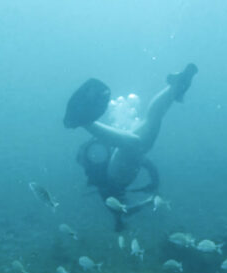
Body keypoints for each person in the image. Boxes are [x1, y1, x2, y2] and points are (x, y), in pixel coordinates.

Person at [64, 63, 198, 231]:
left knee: (143, 134)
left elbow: (122, 211)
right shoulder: (104, 187)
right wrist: (152, 190)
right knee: (146, 129)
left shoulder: (104, 186)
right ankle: (174, 89)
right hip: (119, 174)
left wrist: (151, 191)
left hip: (119, 175)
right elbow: (124, 209)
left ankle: (176, 87)